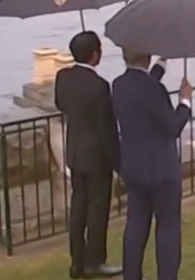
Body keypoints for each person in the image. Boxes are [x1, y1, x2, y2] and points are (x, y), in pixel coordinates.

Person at [112, 50, 193, 280]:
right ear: (147, 56)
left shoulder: (119, 85)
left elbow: (144, 88)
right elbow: (172, 127)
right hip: (161, 170)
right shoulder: (154, 90)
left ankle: (131, 275)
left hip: (134, 167)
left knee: (136, 224)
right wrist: (184, 100)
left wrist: (163, 62)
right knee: (167, 227)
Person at [53, 31, 122, 279]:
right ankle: (95, 261)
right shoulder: (99, 86)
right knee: (96, 211)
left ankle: (77, 262)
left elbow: (60, 104)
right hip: (96, 158)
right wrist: (118, 162)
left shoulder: (62, 77)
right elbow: (107, 128)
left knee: (78, 208)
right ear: (95, 55)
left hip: (75, 152)